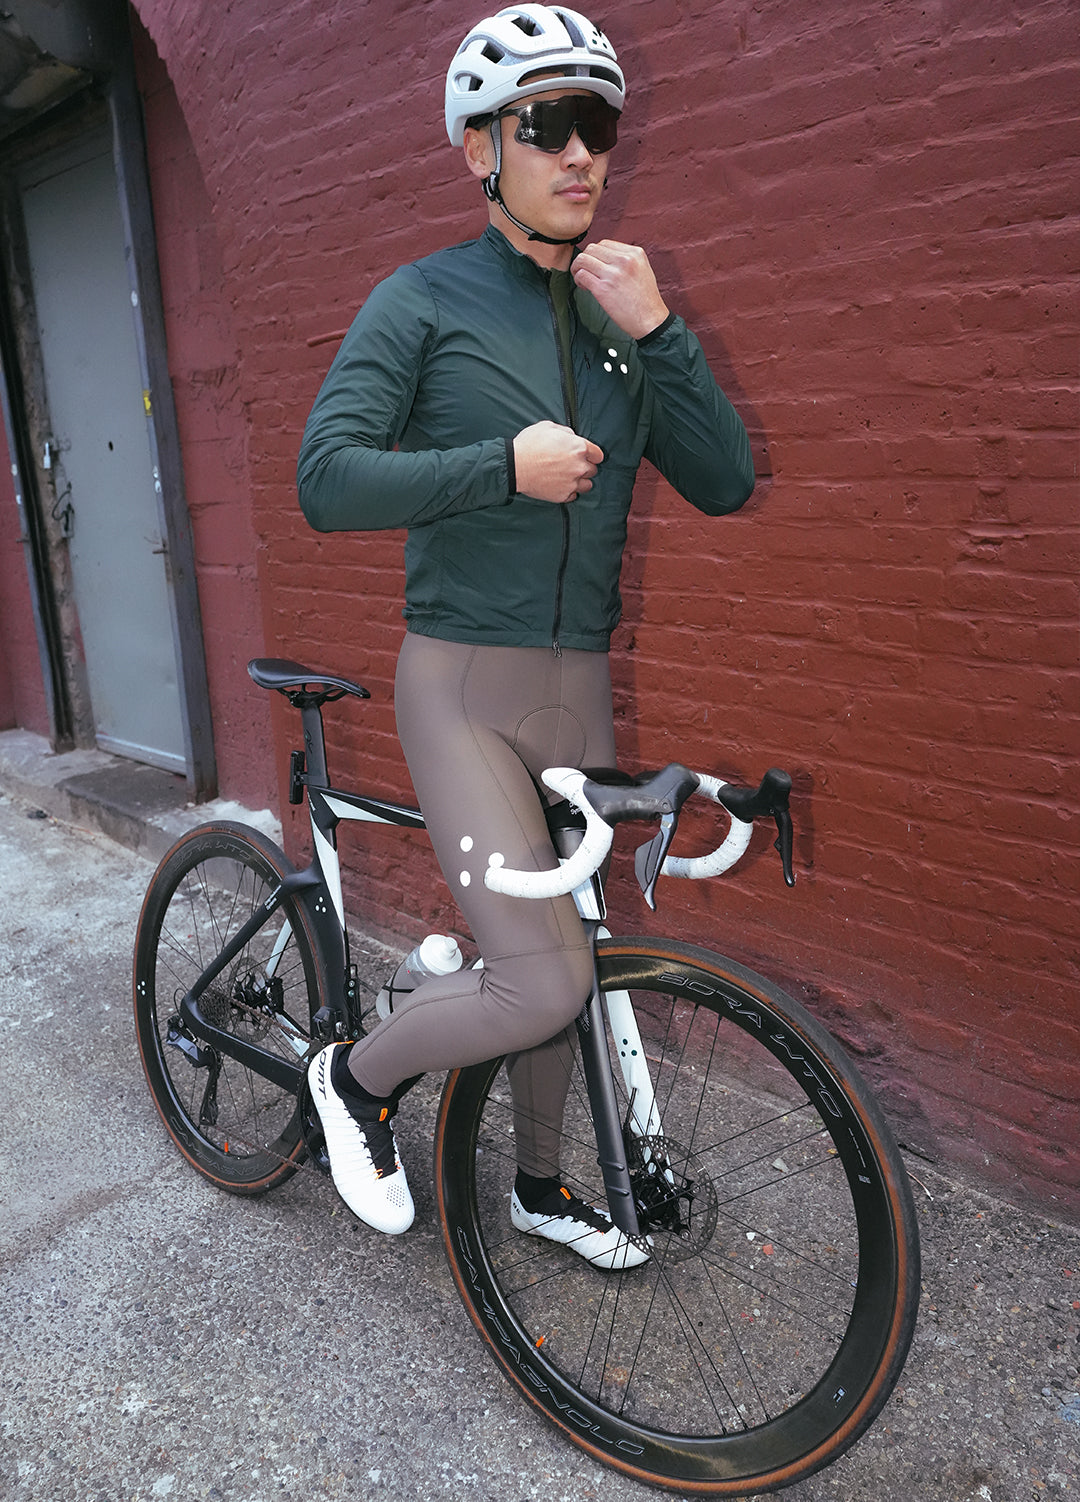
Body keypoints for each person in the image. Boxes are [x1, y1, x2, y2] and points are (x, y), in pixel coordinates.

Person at [297, 4, 755, 1265]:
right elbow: (324, 480)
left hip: (577, 683)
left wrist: (662, 331)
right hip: (461, 681)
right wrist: (499, 467)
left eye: (595, 124)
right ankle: (353, 1077)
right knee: (539, 979)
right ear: (479, 150)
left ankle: (542, 1187)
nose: (579, 153)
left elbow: (724, 479)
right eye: (545, 125)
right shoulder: (424, 298)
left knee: (578, 955)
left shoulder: (621, 311)